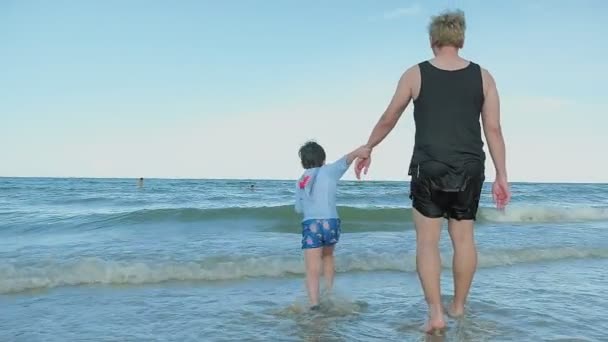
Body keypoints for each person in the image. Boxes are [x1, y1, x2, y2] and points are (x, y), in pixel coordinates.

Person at [354, 9, 511, 334]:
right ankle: (458, 307)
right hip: (470, 166)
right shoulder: (484, 77)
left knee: (427, 242)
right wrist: (502, 174)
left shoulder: (415, 74)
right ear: (462, 39)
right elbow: (493, 129)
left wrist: (369, 146)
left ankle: (436, 313)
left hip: (430, 166)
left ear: (432, 41)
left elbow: (389, 117)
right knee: (463, 239)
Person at [295, 141, 370, 310]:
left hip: (312, 223)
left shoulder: (301, 180)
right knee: (328, 257)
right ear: (323, 158)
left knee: (312, 267)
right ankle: (328, 293)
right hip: (331, 223)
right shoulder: (329, 171)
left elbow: (299, 208)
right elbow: (346, 160)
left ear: (303, 162)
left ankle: (314, 303)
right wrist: (359, 151)